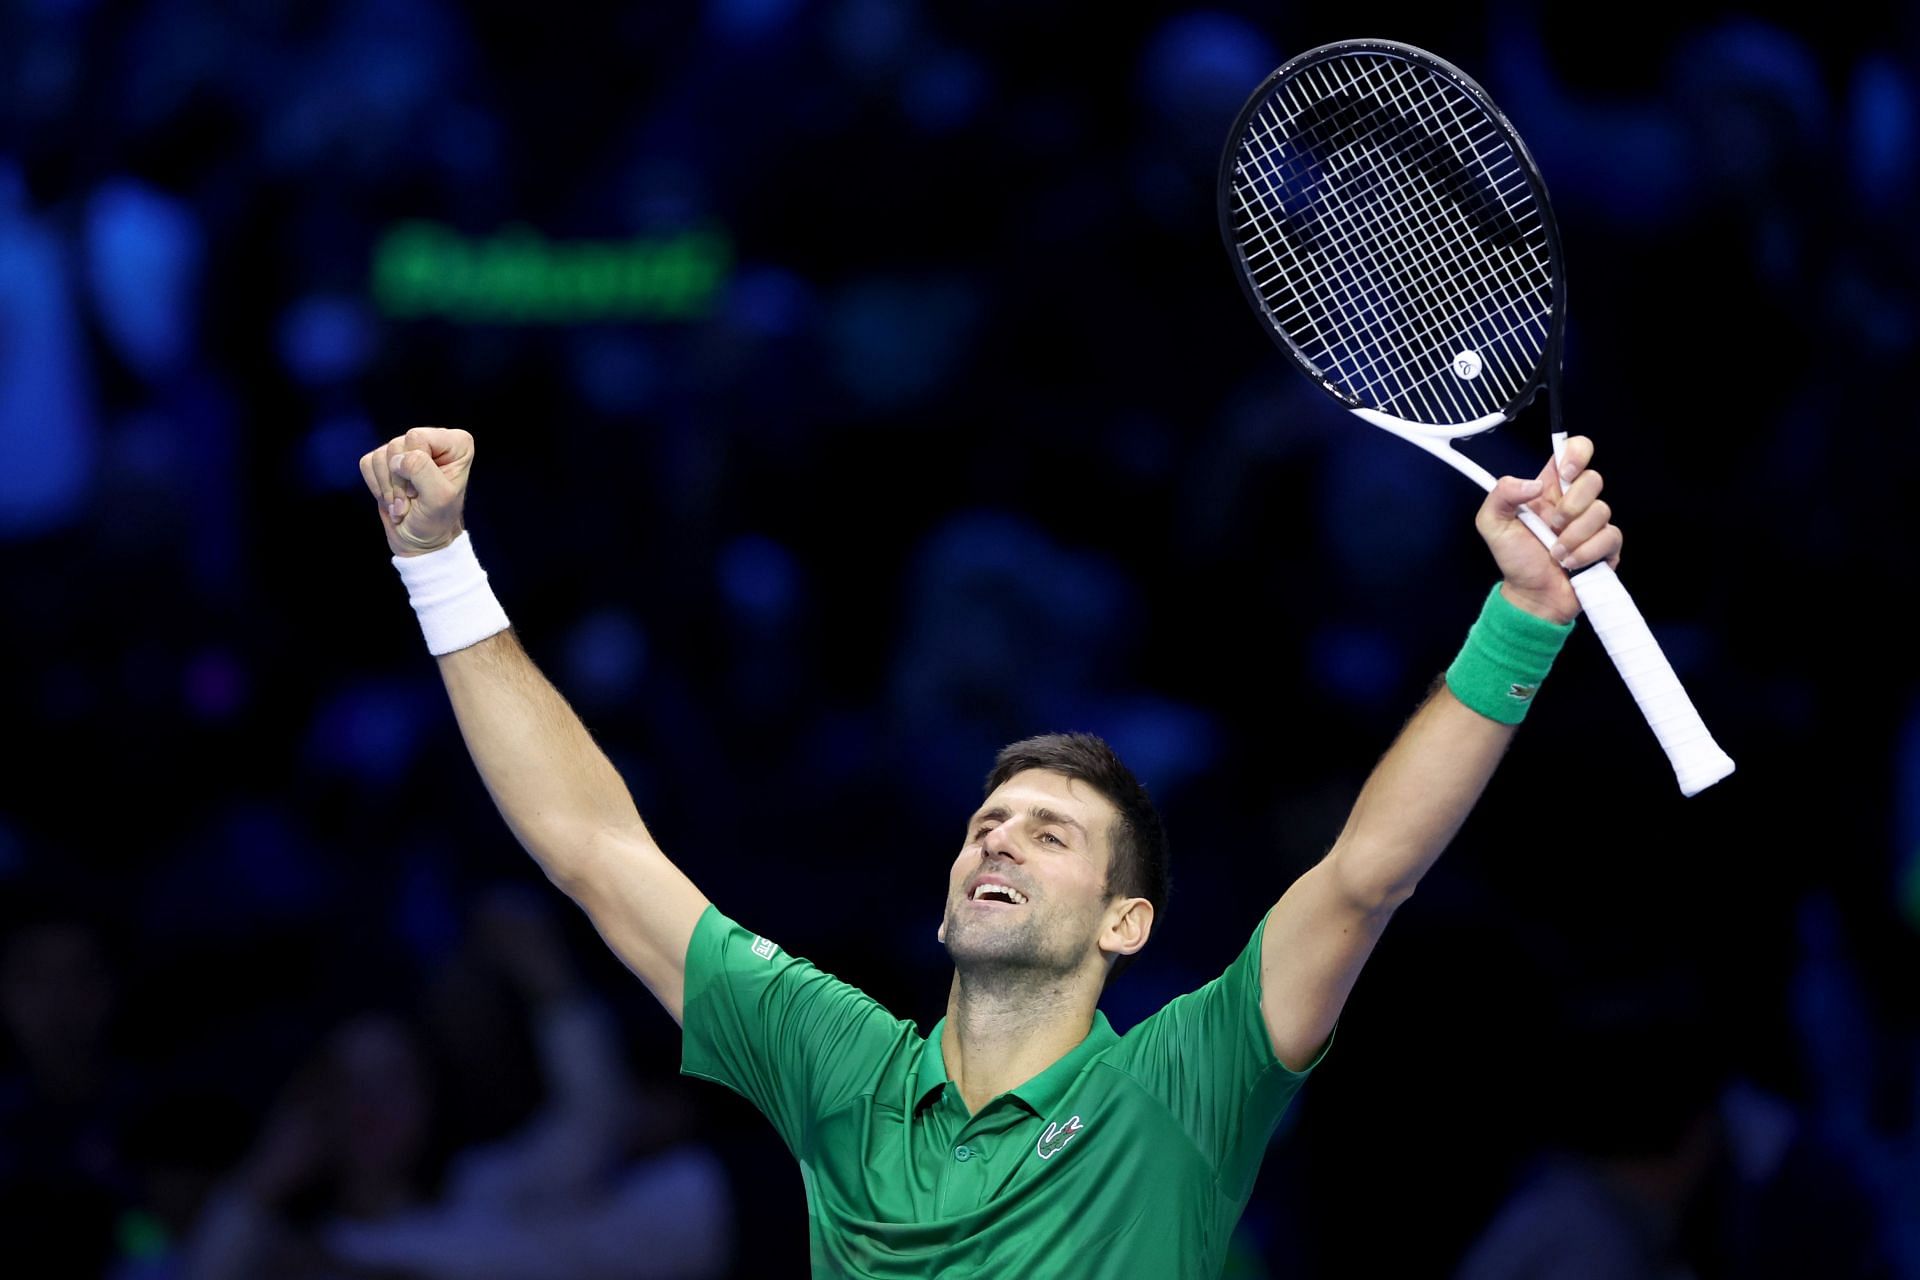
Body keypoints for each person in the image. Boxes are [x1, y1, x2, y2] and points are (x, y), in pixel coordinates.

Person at [358, 425, 1623, 1278]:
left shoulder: (1183, 1086)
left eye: (1051, 828)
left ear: (1126, 922)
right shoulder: (839, 1065)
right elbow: (593, 844)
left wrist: (1519, 616)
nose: (997, 835)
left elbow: (1364, 873)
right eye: (987, 821)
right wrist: (439, 565)